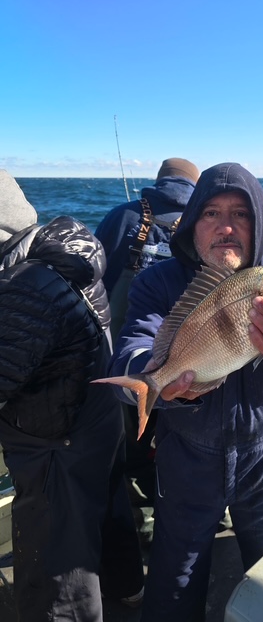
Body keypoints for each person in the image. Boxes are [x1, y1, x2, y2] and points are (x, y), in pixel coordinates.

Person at [108, 162, 263, 621]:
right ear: (190, 224)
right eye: (210, 213)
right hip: (185, 457)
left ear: (259, 223)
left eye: (241, 214)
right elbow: (131, 350)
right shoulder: (157, 283)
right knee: (173, 585)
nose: (226, 227)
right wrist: (157, 383)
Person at [0, 170, 144, 621]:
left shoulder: (24, 287)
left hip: (54, 441)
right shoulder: (58, 253)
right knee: (105, 506)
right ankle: (129, 585)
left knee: (58, 574)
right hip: (95, 418)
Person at [95, 157, 200, 547]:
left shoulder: (122, 216)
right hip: (193, 360)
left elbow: (94, 280)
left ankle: (136, 516)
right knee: (182, 436)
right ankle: (184, 512)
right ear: (195, 185)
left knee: (130, 439)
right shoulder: (204, 222)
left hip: (127, 354)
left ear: (158, 181)